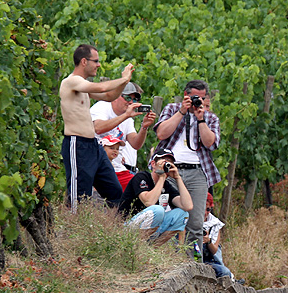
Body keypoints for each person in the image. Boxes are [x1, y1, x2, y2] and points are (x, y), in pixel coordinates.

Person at [59, 44, 134, 212]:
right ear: (84, 61)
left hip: (94, 145)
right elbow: (102, 87)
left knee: (115, 192)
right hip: (77, 144)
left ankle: (109, 226)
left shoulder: (83, 86)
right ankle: (74, 227)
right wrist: (124, 79)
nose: (98, 65)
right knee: (79, 198)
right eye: (96, 61)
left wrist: (124, 84)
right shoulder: (71, 82)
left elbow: (109, 95)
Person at [154, 80, 220, 257]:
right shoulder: (171, 109)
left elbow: (210, 143)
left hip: (197, 172)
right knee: (168, 217)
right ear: (186, 95)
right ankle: (165, 260)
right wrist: (182, 112)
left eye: (202, 98)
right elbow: (161, 133)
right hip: (170, 169)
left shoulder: (210, 117)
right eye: (195, 97)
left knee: (195, 223)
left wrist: (201, 119)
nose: (198, 101)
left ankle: (194, 263)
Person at [118, 148, 194, 245]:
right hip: (127, 226)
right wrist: (161, 177)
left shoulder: (167, 186)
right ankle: (136, 246)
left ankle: (154, 248)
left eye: (170, 163)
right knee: (158, 210)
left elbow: (188, 206)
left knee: (183, 214)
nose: (167, 165)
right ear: (153, 164)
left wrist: (177, 178)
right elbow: (149, 202)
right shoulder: (141, 177)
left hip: (151, 228)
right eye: (164, 162)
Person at [90, 81, 156, 189]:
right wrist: (126, 115)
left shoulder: (127, 118)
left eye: (135, 99)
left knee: (144, 189)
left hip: (117, 169)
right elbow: (98, 128)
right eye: (128, 98)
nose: (131, 102)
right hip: (96, 167)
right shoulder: (103, 106)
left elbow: (135, 144)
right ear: (116, 96)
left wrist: (144, 127)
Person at [202, 193, 234, 280]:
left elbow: (214, 250)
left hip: (208, 261)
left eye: (208, 209)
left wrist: (208, 241)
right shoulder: (189, 221)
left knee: (225, 272)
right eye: (202, 208)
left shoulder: (215, 224)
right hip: (191, 258)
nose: (205, 213)